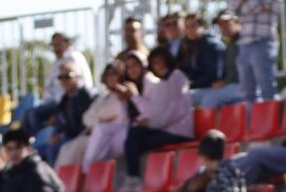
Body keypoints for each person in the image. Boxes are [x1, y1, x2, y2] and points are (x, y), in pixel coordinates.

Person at [228, 0, 286, 103]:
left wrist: (245, 3)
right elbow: (233, 6)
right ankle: (253, 126)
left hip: (263, 40)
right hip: (245, 42)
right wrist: (249, 5)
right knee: (247, 93)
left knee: (267, 89)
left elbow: (249, 6)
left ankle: (271, 126)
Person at [122, 50, 194, 179]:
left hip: (180, 132)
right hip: (167, 129)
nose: (159, 65)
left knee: (135, 136)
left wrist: (151, 123)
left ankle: (133, 178)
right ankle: (134, 177)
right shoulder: (162, 82)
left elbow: (173, 112)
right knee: (134, 135)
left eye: (161, 61)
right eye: (155, 63)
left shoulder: (176, 77)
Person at [193, 12, 249, 110]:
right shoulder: (229, 45)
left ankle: (209, 126)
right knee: (190, 97)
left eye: (226, 23)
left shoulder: (246, 42)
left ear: (237, 22)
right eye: (220, 24)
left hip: (245, 87)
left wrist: (226, 82)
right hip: (230, 87)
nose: (223, 27)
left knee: (209, 99)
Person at [81, 63, 132, 169]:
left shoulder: (124, 91)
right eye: (108, 74)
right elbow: (85, 118)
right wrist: (101, 120)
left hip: (118, 134)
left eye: (114, 74)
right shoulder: (103, 96)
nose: (110, 77)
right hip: (101, 135)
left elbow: (112, 113)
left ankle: (86, 172)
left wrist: (98, 119)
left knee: (99, 131)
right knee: (67, 147)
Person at [44, 66, 97, 166]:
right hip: (67, 135)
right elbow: (58, 116)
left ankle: (56, 180)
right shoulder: (66, 98)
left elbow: (84, 125)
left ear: (79, 77)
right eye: (61, 77)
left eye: (68, 76)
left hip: (78, 136)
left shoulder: (85, 97)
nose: (64, 80)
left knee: (53, 148)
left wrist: (61, 135)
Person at [177, 11, 226, 92]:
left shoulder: (212, 45)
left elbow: (215, 76)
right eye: (187, 27)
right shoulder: (188, 45)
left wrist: (192, 84)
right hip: (196, 87)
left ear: (203, 26)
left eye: (193, 26)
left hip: (210, 88)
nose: (189, 30)